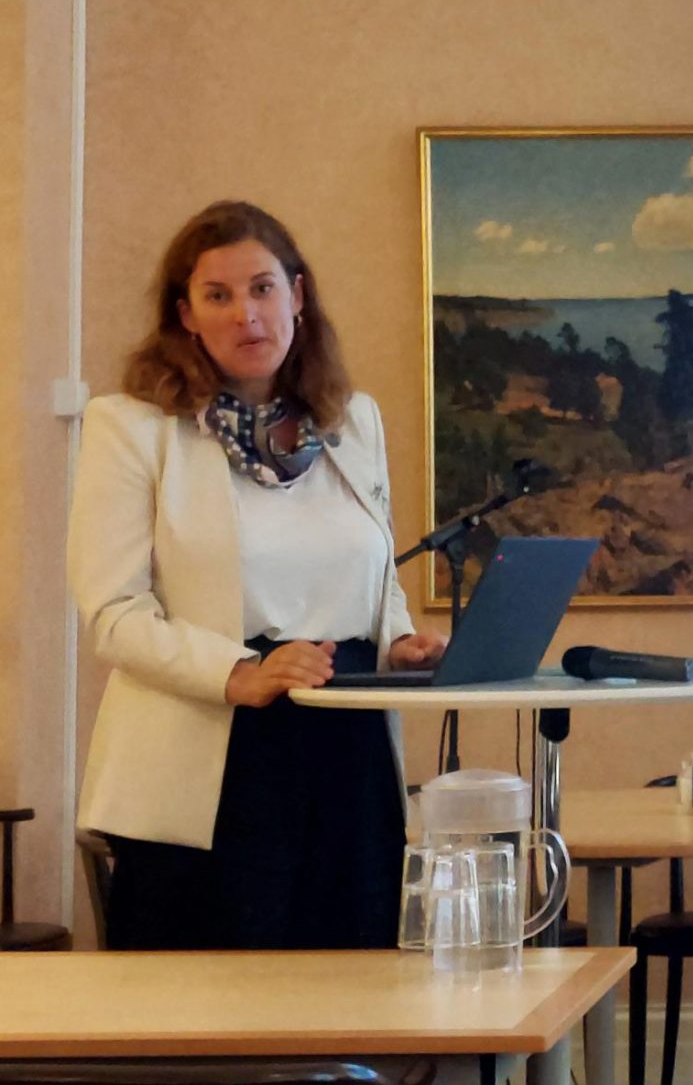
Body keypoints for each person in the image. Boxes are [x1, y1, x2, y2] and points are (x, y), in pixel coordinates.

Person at [68, 200, 448, 950]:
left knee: (355, 1011)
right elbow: (111, 612)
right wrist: (238, 670)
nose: (248, 313)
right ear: (186, 314)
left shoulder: (353, 420)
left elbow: (373, 573)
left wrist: (398, 639)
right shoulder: (133, 427)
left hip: (350, 751)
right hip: (212, 762)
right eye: (219, 295)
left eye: (264, 288)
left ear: (298, 297)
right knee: (212, 1024)